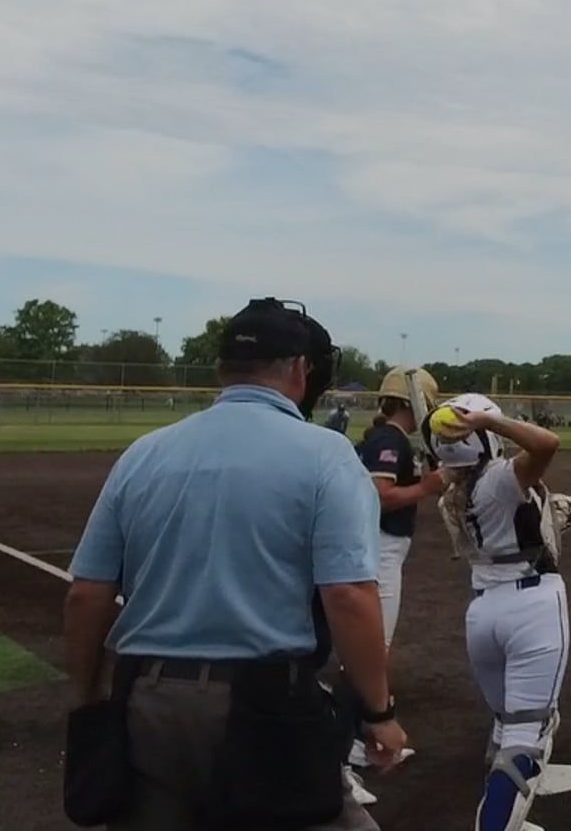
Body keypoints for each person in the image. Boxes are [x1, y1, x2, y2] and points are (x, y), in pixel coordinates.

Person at [61, 298, 406, 831]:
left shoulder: (143, 453)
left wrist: (88, 699)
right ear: (300, 368)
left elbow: (86, 594)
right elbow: (347, 596)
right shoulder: (327, 454)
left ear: (223, 368)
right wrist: (379, 712)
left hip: (146, 698)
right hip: (264, 704)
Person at [427, 393, 567, 831]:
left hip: (483, 611)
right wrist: (490, 421)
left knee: (506, 727)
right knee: (527, 738)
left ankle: (510, 821)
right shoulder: (499, 479)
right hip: (532, 607)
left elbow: (512, 525)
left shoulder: (450, 498)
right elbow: (547, 444)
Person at [341, 367, 448, 790]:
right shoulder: (390, 440)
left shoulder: (390, 439)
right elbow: (379, 496)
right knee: (370, 647)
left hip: (380, 548)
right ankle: (352, 742)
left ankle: (358, 734)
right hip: (379, 549)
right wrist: (427, 487)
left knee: (370, 645)